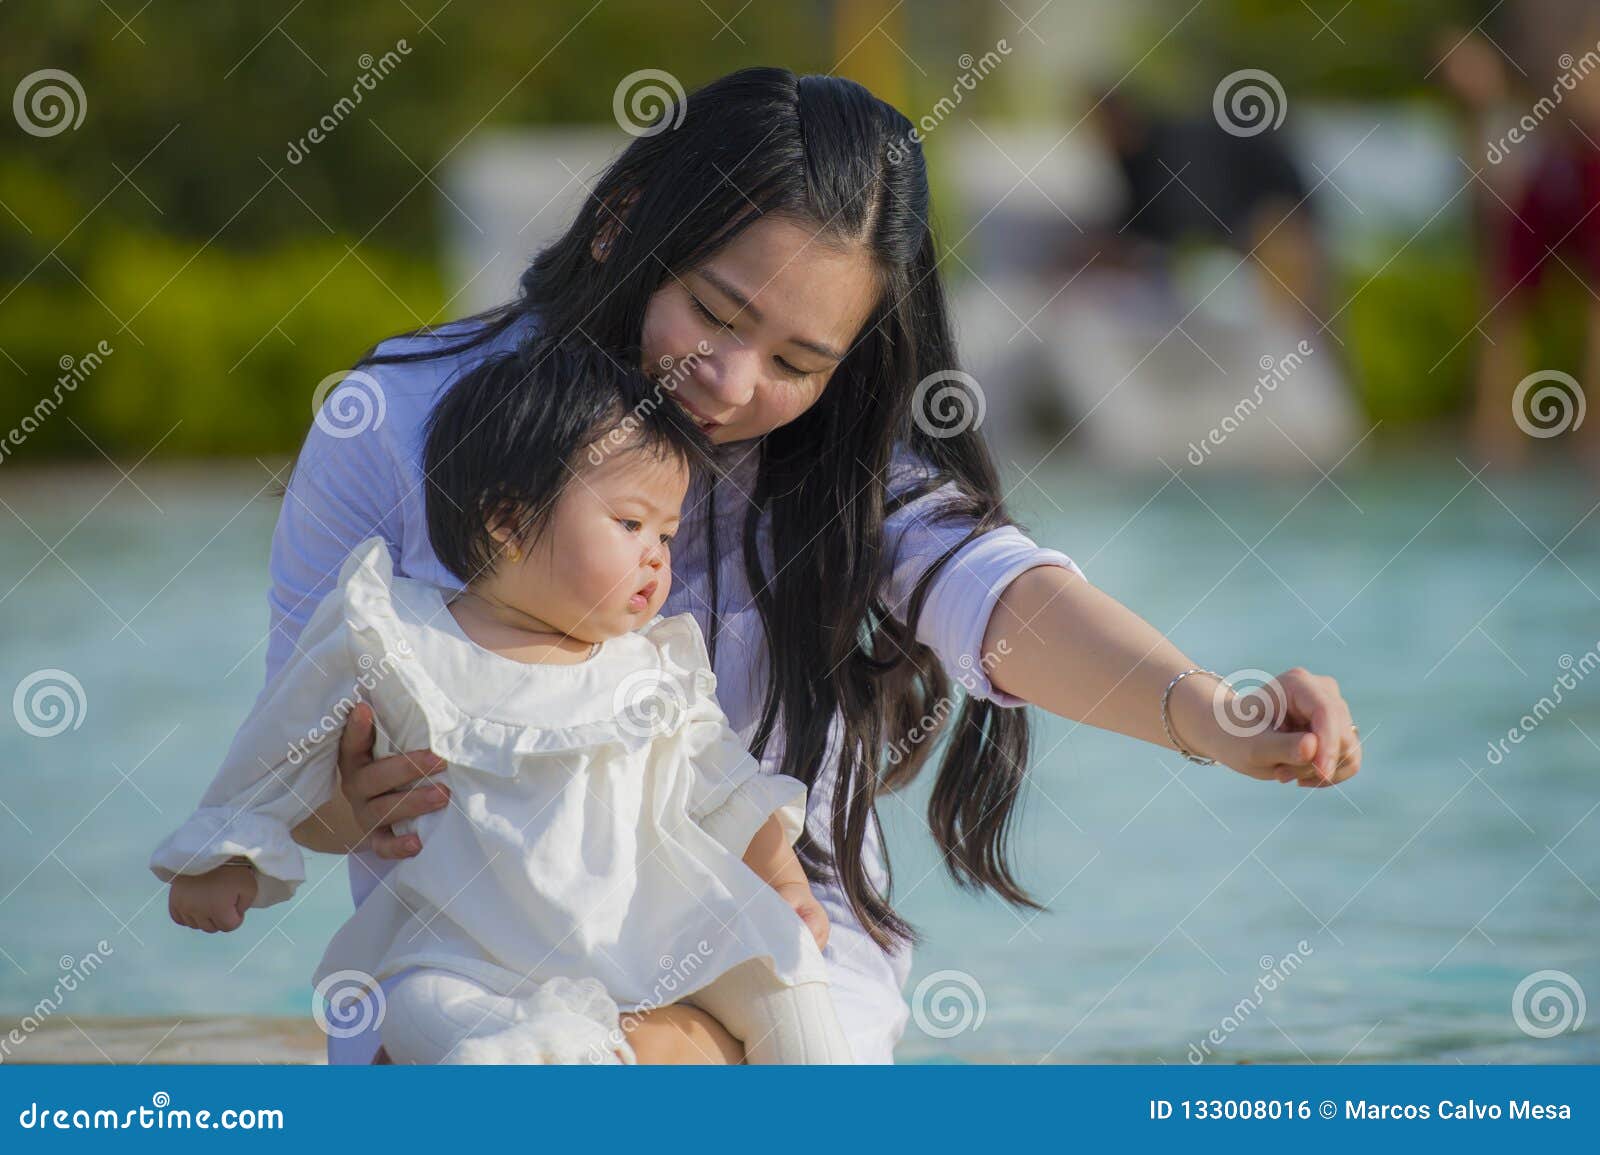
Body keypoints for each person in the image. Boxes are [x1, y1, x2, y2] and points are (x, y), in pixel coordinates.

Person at [270, 67, 1361, 1064]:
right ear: (619, 228)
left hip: (784, 958)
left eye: (798, 361)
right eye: (711, 310)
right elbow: (294, 738)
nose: (732, 384)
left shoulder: (840, 462)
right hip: (481, 973)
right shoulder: (399, 421)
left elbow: (1005, 600)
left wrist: (1207, 713)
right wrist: (338, 792)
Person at [153, 339, 852, 1064]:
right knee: (427, 1009)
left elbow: (725, 785)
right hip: (464, 960)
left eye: (667, 533)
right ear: (508, 523)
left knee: (785, 966)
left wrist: (783, 885)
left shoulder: (653, 668)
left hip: (646, 939)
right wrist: (227, 852)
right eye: (631, 524)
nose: (656, 556)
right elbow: (284, 733)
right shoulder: (398, 633)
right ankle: (535, 1062)